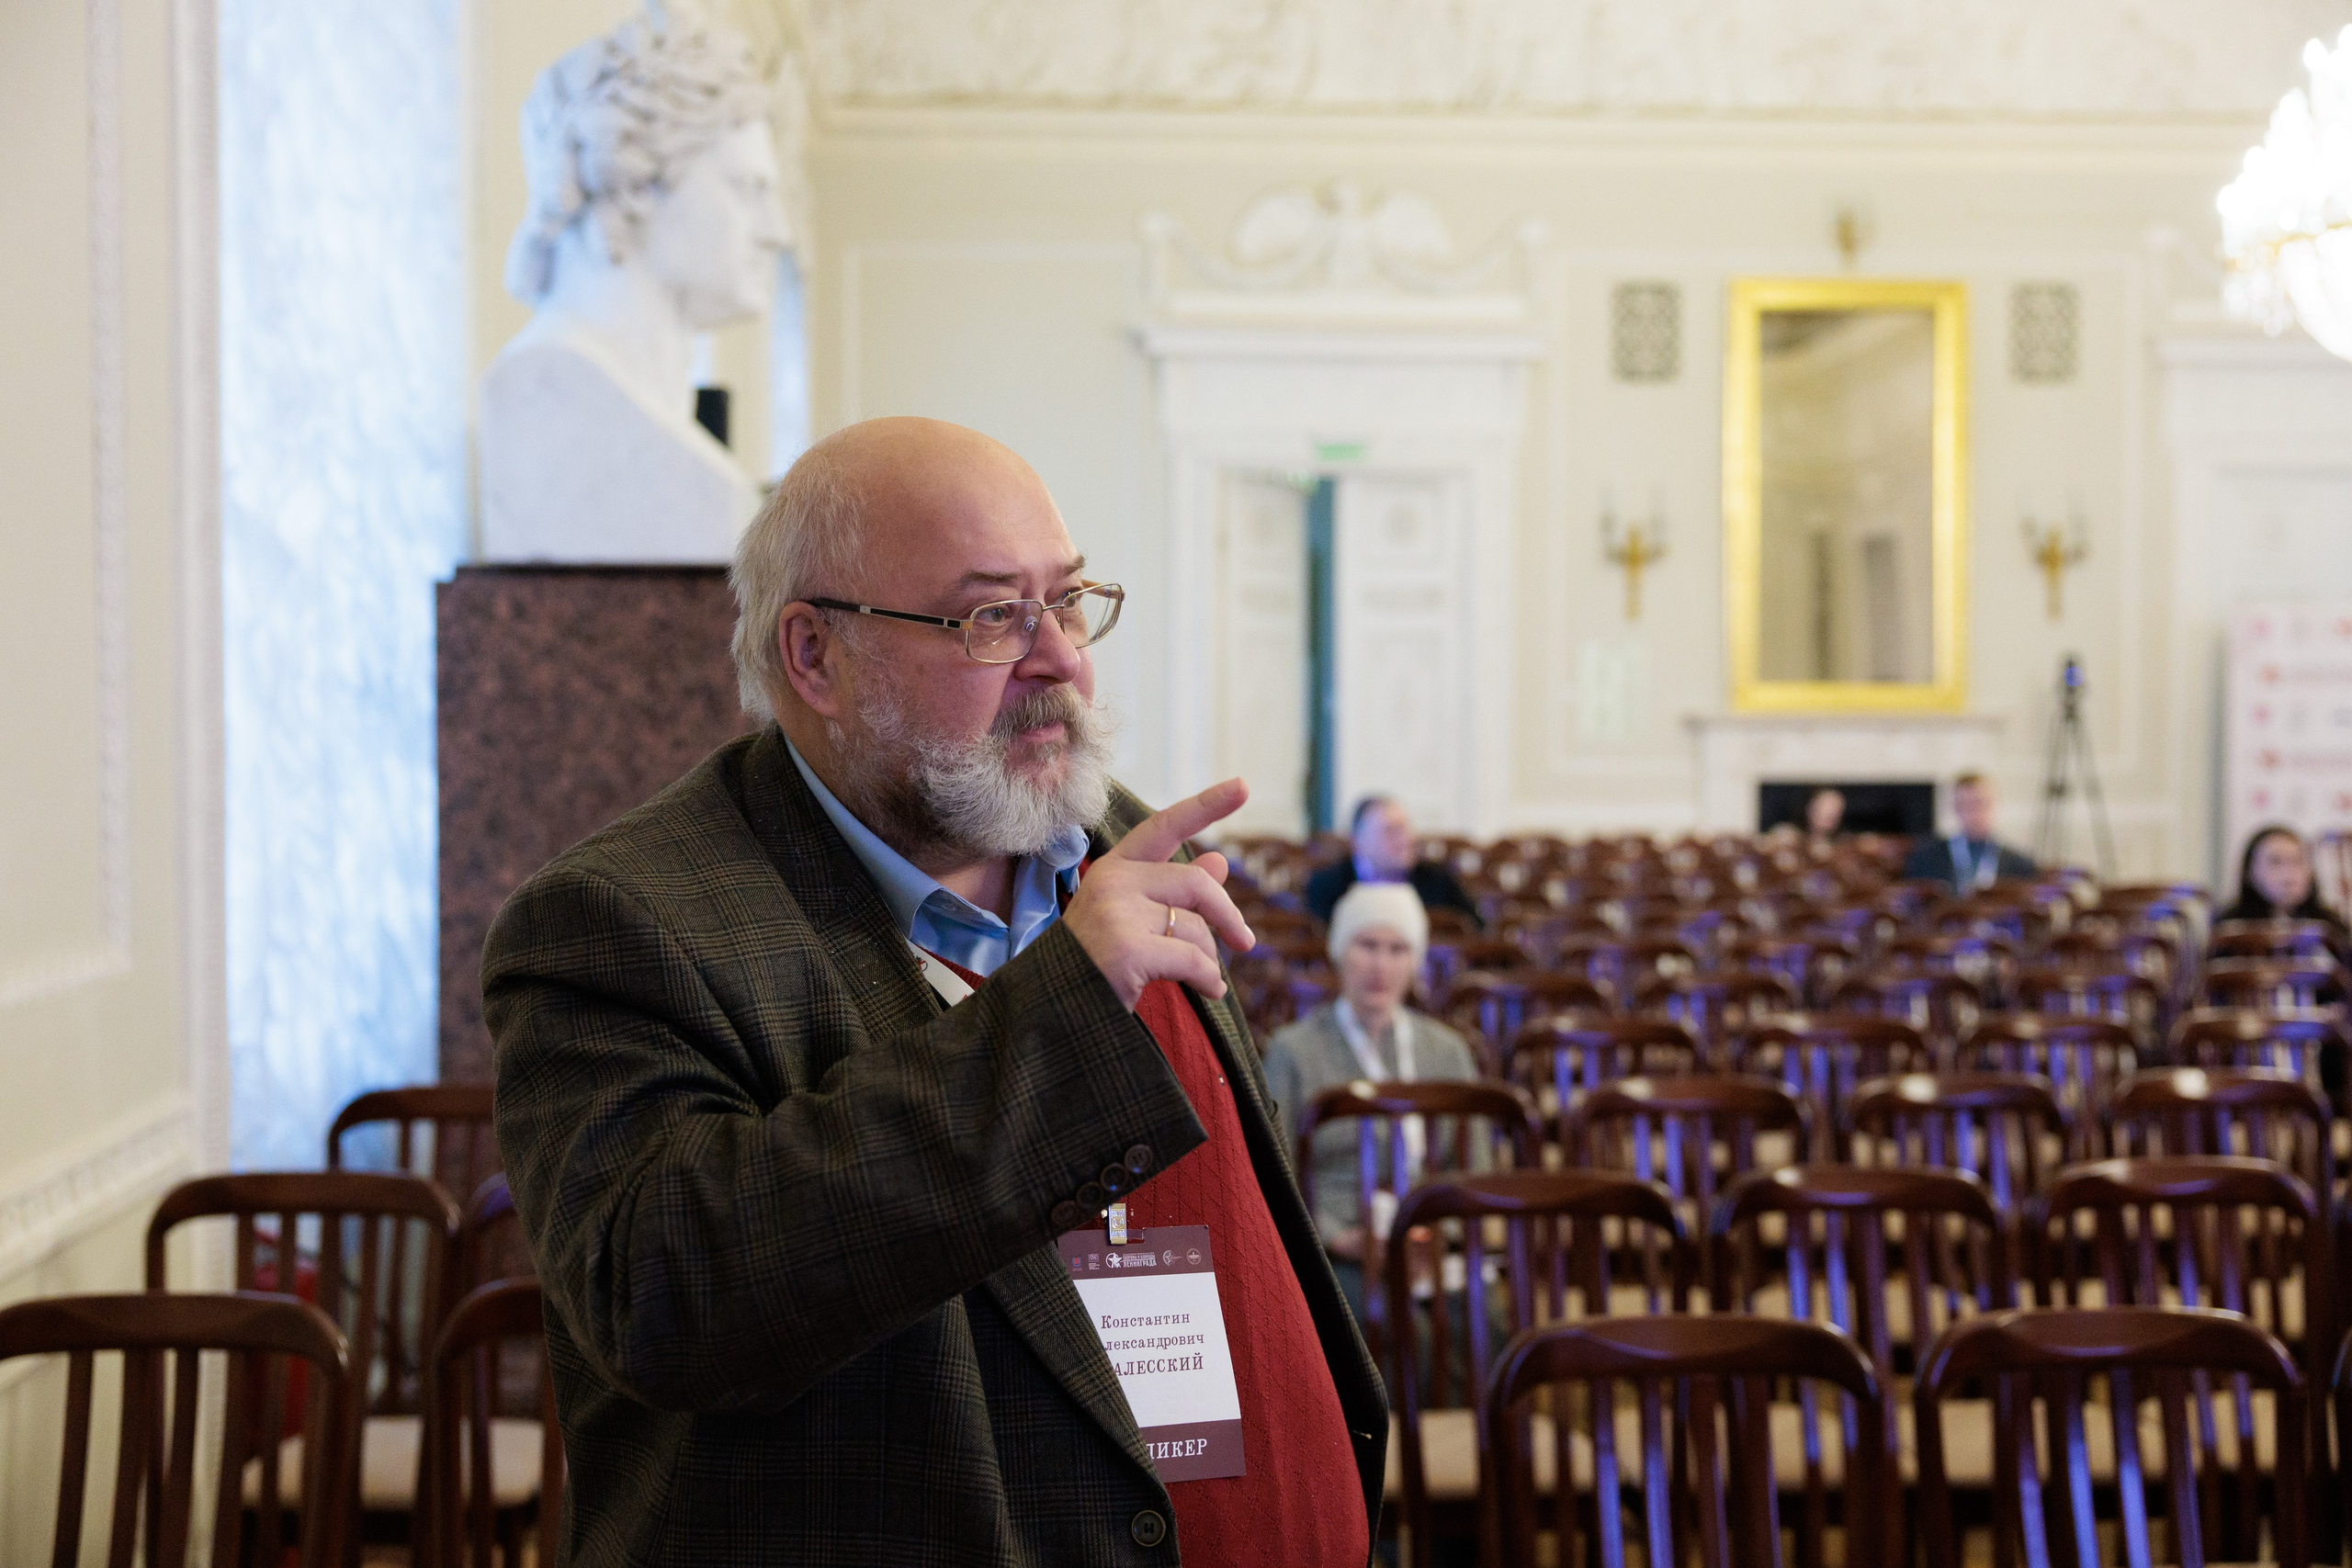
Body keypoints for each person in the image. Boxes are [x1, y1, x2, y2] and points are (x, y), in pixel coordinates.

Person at [487, 417, 1384, 1565]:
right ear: (814, 656)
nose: (1059, 659)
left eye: (1068, 601)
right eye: (992, 617)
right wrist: (1061, 1010)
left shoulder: (1121, 849)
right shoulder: (623, 920)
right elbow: (663, 1299)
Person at [1259, 883, 1482, 1328]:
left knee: (1483, 1321)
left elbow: (1474, 1165)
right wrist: (1336, 1236)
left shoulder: (1448, 1051)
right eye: (1367, 946)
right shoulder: (1294, 1051)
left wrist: (1439, 1232)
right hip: (1334, 1247)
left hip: (1429, 1242)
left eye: (1398, 949)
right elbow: (1274, 1169)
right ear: (1340, 953)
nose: (1381, 965)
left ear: (1415, 961)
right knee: (1383, 1325)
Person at [1302, 795, 1483, 926]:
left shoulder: (1438, 881)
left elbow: (1475, 931)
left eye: (1405, 830)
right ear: (1358, 842)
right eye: (1391, 832)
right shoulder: (1326, 886)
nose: (1405, 841)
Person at [1901, 771, 2037, 891]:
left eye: (1981, 804)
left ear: (1996, 805)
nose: (1975, 813)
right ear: (1955, 808)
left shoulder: (2021, 865)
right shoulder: (1926, 858)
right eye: (1966, 805)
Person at [2221, 823, 2350, 934]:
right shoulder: (2229, 928)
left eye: (2297, 861)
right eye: (2275, 862)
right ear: (2249, 872)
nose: (2288, 874)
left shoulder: (2330, 926)